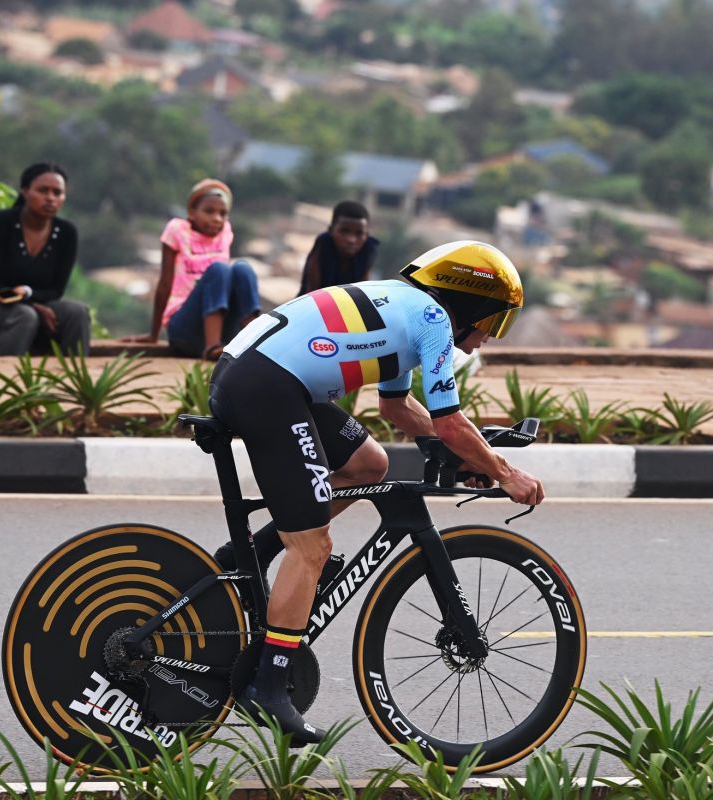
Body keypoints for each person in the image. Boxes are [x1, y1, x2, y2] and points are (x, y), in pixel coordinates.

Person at [209, 240, 545, 744]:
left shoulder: (406, 306)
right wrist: (505, 472)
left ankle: (253, 552)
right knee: (312, 547)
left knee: (369, 464)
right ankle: (269, 686)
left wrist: (464, 455)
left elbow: (398, 408)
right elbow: (449, 423)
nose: (485, 339)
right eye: (492, 321)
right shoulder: (433, 319)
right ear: (470, 304)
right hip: (267, 386)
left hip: (262, 376)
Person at [0, 163, 89, 356]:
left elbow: (56, 290)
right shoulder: (0, 223)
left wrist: (30, 298)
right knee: (24, 315)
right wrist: (32, 305)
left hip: (37, 308)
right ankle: (7, 372)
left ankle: (74, 373)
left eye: (57, 193)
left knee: (77, 313)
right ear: (25, 191)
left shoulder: (66, 233)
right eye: (42, 191)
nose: (50, 198)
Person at [128, 179, 260, 360]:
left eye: (222, 214)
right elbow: (165, 283)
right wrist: (153, 334)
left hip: (223, 331)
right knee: (219, 270)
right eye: (209, 211)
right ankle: (212, 347)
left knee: (243, 269)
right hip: (185, 331)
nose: (217, 218)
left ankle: (253, 342)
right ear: (191, 212)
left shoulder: (225, 232)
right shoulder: (177, 230)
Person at [298, 200, 380, 295]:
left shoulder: (369, 248)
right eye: (344, 231)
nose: (351, 240)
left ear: (366, 235)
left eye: (359, 233)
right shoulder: (324, 242)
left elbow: (361, 291)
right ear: (331, 230)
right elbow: (312, 291)